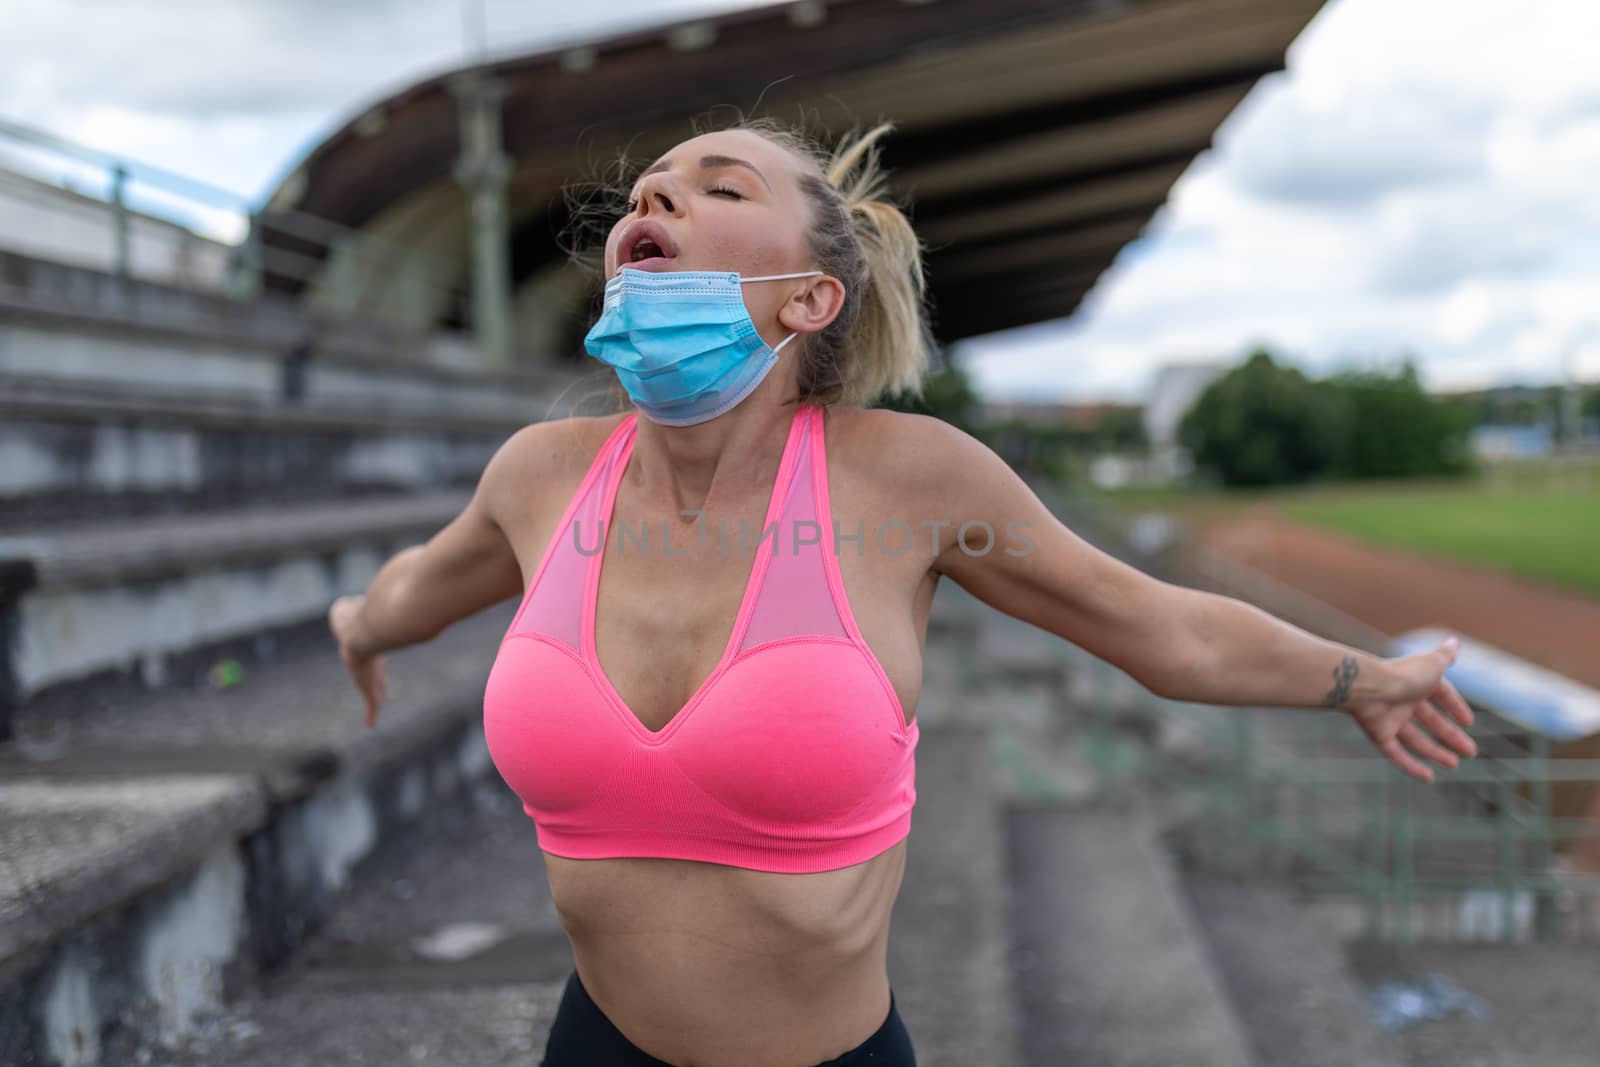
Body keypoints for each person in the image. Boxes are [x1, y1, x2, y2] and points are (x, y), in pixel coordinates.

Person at [326, 118, 1478, 1067]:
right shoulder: (542, 474)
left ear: (811, 297)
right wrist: (360, 627)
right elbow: (421, 588)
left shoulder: (911, 477)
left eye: (714, 187)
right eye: (646, 191)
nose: (654, 199)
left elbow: (1163, 627)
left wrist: (1360, 680)